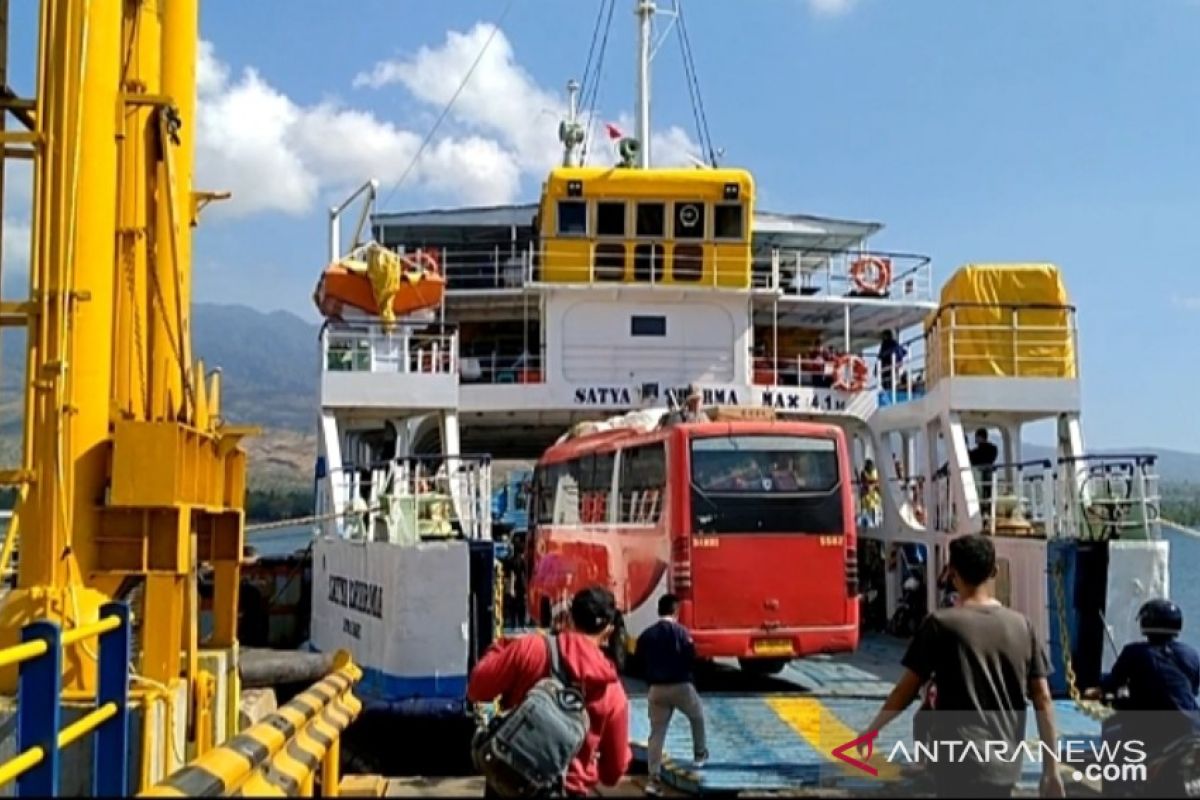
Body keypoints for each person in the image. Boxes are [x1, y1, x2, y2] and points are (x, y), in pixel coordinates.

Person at [860, 534, 1064, 799]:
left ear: (952, 573)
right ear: (995, 571)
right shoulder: (1022, 626)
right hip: (1004, 767)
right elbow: (1043, 699)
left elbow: (906, 691)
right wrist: (1052, 770)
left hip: (955, 766)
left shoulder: (939, 624)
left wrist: (871, 730)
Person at [467, 586, 632, 797]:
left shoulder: (532, 649)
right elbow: (613, 773)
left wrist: (500, 647)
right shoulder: (613, 691)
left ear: (570, 618)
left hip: (509, 781)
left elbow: (477, 690)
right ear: (608, 631)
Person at [1086, 599, 1200, 756]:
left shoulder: (1133, 652)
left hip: (1150, 726)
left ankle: (1119, 778)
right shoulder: (1191, 654)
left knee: (1111, 729)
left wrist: (1097, 690)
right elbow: (1192, 690)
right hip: (1191, 726)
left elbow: (1113, 683)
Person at [635, 594, 708, 797]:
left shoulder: (647, 635)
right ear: (676, 611)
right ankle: (699, 755)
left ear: (659, 610)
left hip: (656, 689)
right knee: (697, 717)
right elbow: (691, 657)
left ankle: (653, 779)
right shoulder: (683, 633)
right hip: (681, 685)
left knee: (657, 733)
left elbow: (639, 660)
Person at [969, 429, 999, 518]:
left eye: (976, 437)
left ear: (980, 437)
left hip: (981, 476)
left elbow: (973, 460)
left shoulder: (977, 452)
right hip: (989, 475)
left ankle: (982, 512)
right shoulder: (993, 449)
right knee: (989, 494)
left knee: (981, 495)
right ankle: (989, 512)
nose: (975, 440)